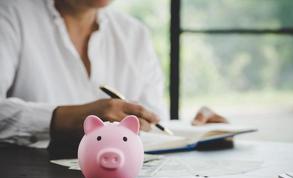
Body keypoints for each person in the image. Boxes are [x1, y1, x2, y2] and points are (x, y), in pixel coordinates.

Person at [0, 0, 226, 150]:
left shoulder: (134, 34)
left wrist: (202, 133)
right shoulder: (9, 14)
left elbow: (153, 128)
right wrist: (65, 119)